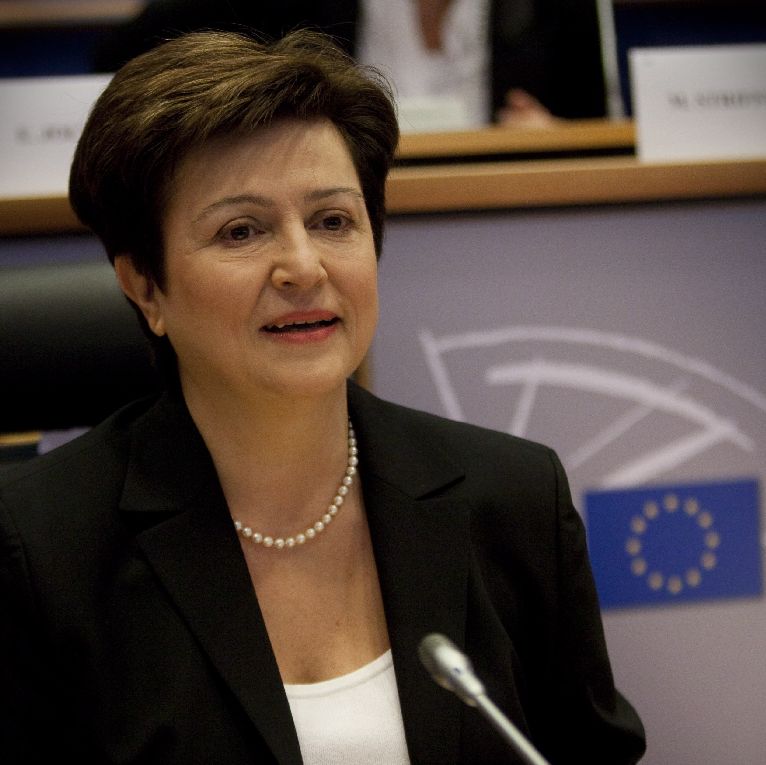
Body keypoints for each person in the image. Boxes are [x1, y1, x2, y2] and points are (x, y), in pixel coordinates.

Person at [0, 30, 645, 764]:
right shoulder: (39, 553)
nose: (304, 267)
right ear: (144, 286)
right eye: (241, 230)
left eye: (333, 221)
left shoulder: (513, 501)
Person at [90, 0, 607, 126]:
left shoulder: (556, 9)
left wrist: (552, 142)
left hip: (500, 217)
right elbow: (126, 52)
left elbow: (605, 136)